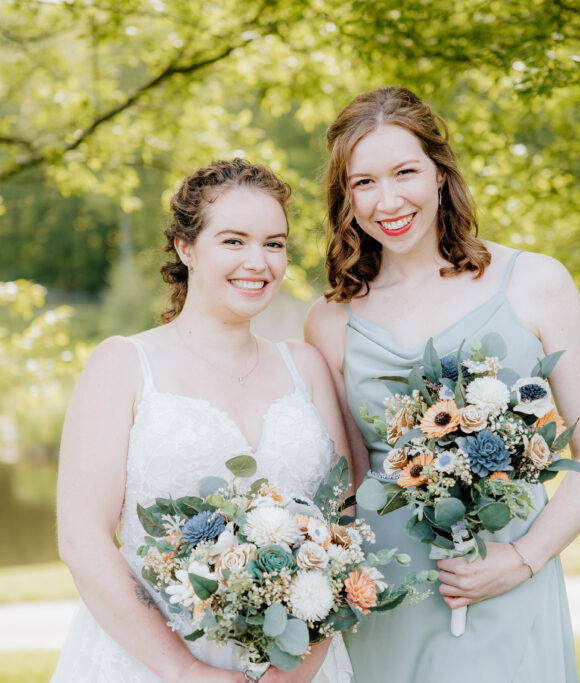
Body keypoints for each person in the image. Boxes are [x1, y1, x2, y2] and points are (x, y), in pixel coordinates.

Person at [305, 87, 580, 682]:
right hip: (390, 593)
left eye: (405, 172)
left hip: (504, 577)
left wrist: (521, 561)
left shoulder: (536, 282)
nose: (388, 200)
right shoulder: (330, 319)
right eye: (364, 182)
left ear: (441, 175)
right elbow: (346, 482)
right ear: (345, 198)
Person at [52, 159, 354, 682]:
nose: (258, 262)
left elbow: (342, 525)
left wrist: (304, 663)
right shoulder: (124, 364)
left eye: (275, 243)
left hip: (296, 665)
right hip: (151, 662)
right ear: (185, 248)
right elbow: (82, 539)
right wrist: (185, 670)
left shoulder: (305, 366)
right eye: (234, 241)